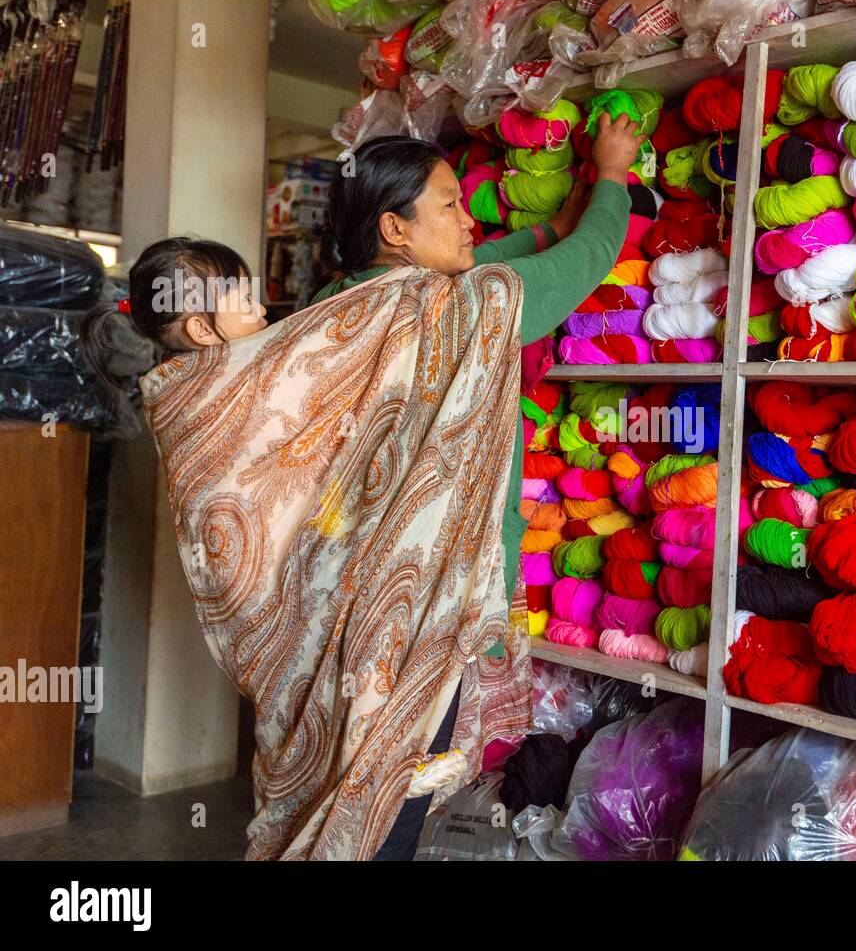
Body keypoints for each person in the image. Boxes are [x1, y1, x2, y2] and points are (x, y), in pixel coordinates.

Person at [81, 113, 642, 861]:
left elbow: (485, 262)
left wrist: (544, 229)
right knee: (390, 804)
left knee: (349, 780)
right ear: (395, 227)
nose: (466, 216)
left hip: (337, 613)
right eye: (449, 204)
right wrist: (609, 175)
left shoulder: (344, 304)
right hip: (413, 617)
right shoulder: (457, 313)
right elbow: (585, 263)